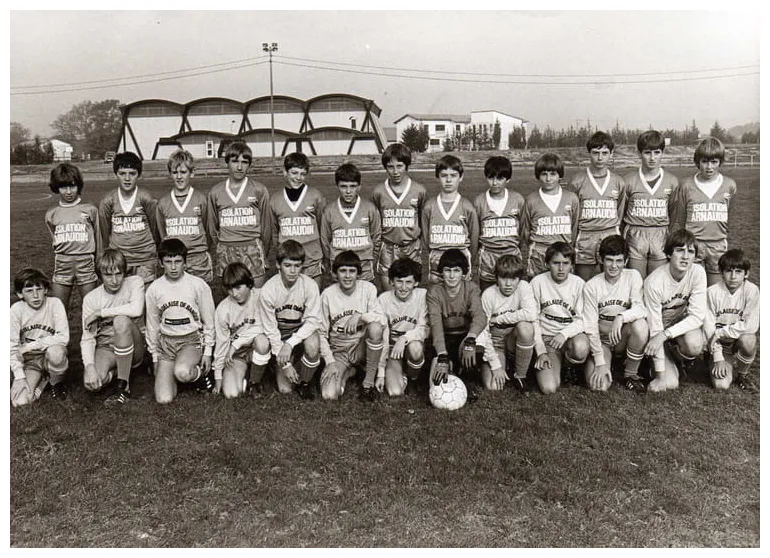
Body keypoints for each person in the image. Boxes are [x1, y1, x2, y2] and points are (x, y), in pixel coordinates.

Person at [145, 238, 216, 404]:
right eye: (168, 262)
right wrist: (155, 357)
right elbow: (152, 325)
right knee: (163, 399)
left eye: (178, 262)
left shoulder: (198, 285)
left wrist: (208, 352)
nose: (173, 267)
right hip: (166, 344)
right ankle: (176, 375)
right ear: (161, 263)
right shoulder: (154, 289)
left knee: (182, 372)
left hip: (191, 340)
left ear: (185, 262)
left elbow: (209, 321)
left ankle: (201, 374)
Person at [426, 249, 502, 395]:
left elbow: (480, 317)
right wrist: (442, 355)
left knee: (476, 347)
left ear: (463, 272)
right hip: (445, 339)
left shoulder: (471, 288)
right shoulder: (434, 292)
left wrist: (470, 340)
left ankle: (467, 372)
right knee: (435, 388)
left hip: (464, 338)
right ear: (441, 272)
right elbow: (436, 325)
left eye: (456, 270)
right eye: (447, 270)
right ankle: (452, 367)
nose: (452, 276)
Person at [581, 235, 648, 393]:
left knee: (640, 325)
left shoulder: (633, 276)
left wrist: (621, 317)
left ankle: (631, 374)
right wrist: (599, 362)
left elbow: (640, 309)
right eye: (609, 260)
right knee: (599, 387)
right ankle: (603, 362)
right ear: (601, 260)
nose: (614, 266)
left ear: (626, 261)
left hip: (622, 338)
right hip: (603, 341)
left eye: (619, 261)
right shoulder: (592, 286)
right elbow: (590, 326)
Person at [642, 229, 707, 393]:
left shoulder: (698, 273)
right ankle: (650, 360)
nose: (685, 256)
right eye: (680, 250)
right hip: (652, 330)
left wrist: (665, 335)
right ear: (669, 254)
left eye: (690, 251)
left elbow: (697, 316)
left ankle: (675, 357)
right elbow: (655, 328)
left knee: (695, 344)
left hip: (669, 331)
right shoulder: (654, 282)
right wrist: (660, 376)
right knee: (670, 383)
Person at [258, 240, 322, 399]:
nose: (293, 271)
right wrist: (285, 365)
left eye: (297, 266)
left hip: (299, 335)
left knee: (313, 344)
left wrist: (290, 344)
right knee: (285, 389)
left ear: (302, 266)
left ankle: (305, 382)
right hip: (278, 336)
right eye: (287, 265)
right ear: (278, 265)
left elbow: (312, 321)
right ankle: (278, 363)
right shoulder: (268, 290)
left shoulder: (310, 285)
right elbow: (270, 330)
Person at [80, 249, 146, 404]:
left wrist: (100, 313)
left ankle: (123, 387)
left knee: (121, 321)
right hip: (107, 347)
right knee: (93, 383)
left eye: (119, 274)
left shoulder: (135, 282)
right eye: (108, 275)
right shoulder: (91, 298)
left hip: (134, 345)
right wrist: (89, 366)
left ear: (124, 272)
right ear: (100, 275)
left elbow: (136, 310)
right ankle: (118, 371)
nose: (115, 280)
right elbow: (88, 338)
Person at [670, 136, 737, 286]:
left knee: (714, 288)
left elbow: (729, 213)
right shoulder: (686, 185)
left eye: (714, 162)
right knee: (693, 287)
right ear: (697, 161)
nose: (709, 167)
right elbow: (681, 217)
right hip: (694, 244)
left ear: (720, 162)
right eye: (705, 161)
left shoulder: (729, 185)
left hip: (718, 244)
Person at [318, 251, 385, 401]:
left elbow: (382, 320)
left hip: (361, 347)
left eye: (352, 271)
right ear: (335, 273)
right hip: (339, 350)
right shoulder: (327, 295)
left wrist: (360, 316)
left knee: (375, 328)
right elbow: (320, 332)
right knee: (329, 395)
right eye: (343, 271)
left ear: (358, 273)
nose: (347, 276)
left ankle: (368, 384)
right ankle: (350, 371)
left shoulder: (368, 289)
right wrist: (330, 361)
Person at [207, 141, 272, 288]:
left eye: (244, 162)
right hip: (226, 248)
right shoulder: (215, 192)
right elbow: (212, 228)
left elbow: (266, 227)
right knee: (230, 295)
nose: (239, 167)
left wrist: (263, 251)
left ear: (249, 164)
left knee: (256, 294)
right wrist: (222, 246)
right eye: (235, 161)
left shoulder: (259, 190)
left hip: (252, 247)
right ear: (227, 162)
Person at [530, 242, 589, 394]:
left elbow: (583, 319)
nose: (561, 268)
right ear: (547, 264)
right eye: (556, 263)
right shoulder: (537, 282)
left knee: (581, 347)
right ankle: (550, 364)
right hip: (548, 340)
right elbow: (533, 320)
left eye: (566, 263)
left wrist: (564, 334)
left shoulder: (579, 284)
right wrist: (541, 351)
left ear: (572, 265)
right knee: (549, 388)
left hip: (570, 338)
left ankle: (571, 369)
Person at [620, 130, 680, 279]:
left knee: (656, 282)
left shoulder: (672, 181)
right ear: (639, 153)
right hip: (635, 234)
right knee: (636, 281)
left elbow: (673, 212)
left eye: (657, 152)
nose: (652, 158)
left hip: (660, 234)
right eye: (647, 153)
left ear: (662, 153)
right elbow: (622, 211)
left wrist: (666, 231)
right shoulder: (628, 181)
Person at [569, 131, 627, 281]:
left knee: (612, 281)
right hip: (585, 236)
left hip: (610, 233)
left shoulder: (618, 182)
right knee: (583, 282)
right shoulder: (577, 181)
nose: (600, 158)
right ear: (589, 153)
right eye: (595, 153)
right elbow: (572, 215)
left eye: (605, 153)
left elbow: (620, 211)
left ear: (611, 154)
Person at [371, 143, 427, 290]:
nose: (395, 171)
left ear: (407, 165)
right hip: (388, 247)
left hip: (411, 247)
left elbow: (422, 219)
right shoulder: (378, 192)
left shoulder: (419, 190)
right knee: (388, 294)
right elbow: (376, 223)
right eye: (390, 167)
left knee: (411, 293)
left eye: (400, 166)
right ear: (385, 167)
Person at [45, 162, 99, 312]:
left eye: (72, 186)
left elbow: (98, 238)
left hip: (86, 262)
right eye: (63, 187)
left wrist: (98, 262)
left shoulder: (90, 210)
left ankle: (90, 329)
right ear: (56, 187)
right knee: (59, 310)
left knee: (91, 309)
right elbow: (55, 240)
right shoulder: (51, 214)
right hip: (62, 263)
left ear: (78, 186)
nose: (68, 192)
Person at [97, 152, 159, 284]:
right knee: (121, 296)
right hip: (119, 261)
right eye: (122, 173)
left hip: (145, 259)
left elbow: (155, 229)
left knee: (145, 296)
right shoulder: (108, 201)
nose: (127, 178)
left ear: (139, 174)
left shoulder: (147, 198)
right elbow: (104, 234)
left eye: (132, 173)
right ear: (116, 174)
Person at [10, 268, 69, 405]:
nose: (35, 295)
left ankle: (56, 383)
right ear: (20, 294)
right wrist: (19, 377)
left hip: (50, 354)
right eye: (29, 291)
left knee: (56, 352)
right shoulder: (16, 310)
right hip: (30, 360)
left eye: (39, 289)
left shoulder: (55, 304)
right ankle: (44, 380)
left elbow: (63, 337)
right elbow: (10, 346)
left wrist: (29, 346)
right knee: (19, 401)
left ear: (46, 290)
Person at [156, 149, 216, 283]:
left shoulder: (201, 199)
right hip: (174, 259)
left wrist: (200, 248)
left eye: (183, 172)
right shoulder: (163, 203)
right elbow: (162, 235)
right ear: (170, 174)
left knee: (200, 293)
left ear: (192, 173)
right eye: (175, 172)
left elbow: (208, 229)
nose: (179, 177)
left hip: (198, 259)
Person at [212, 262, 271, 399]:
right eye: (230, 289)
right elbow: (221, 343)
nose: (234, 294)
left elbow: (263, 326)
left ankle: (255, 382)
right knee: (231, 393)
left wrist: (235, 344)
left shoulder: (262, 297)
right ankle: (249, 373)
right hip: (237, 354)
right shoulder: (223, 309)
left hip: (256, 346)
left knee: (262, 341)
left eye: (238, 287)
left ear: (249, 282)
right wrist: (218, 377)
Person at [703, 249, 759, 391]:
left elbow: (750, 326)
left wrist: (721, 332)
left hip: (737, 339)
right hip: (720, 343)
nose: (733, 277)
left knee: (749, 340)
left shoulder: (752, 291)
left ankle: (742, 375)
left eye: (738, 271)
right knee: (721, 385)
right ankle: (711, 356)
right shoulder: (712, 292)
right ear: (721, 272)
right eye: (728, 271)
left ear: (746, 273)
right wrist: (718, 357)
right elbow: (709, 328)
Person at [480, 254, 537, 392]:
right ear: (496, 278)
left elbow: (531, 314)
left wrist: (498, 319)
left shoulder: (524, 287)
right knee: (493, 387)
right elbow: (483, 332)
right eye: (503, 278)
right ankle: (503, 363)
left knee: (526, 328)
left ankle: (520, 375)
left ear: (519, 279)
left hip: (513, 338)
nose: (508, 284)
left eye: (513, 278)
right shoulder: (488, 294)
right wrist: (496, 366)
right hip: (495, 341)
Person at [269, 152, 327, 284]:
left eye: (302, 174)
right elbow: (274, 232)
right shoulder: (275, 199)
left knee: (313, 294)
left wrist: (324, 257)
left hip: (312, 258)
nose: (298, 177)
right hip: (288, 260)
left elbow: (322, 227)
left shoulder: (315, 196)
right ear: (285, 172)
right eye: (294, 173)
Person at [421, 155, 479, 283]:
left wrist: (468, 262)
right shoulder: (429, 207)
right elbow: (426, 239)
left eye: (453, 175)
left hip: (460, 260)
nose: (448, 180)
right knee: (436, 294)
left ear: (461, 177)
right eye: (444, 175)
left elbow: (474, 240)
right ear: (437, 177)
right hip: (436, 260)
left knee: (460, 294)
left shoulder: (467, 207)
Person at [376, 258, 429, 396]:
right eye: (399, 281)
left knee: (415, 348)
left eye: (408, 282)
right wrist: (381, 372)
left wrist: (404, 338)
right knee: (394, 392)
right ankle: (401, 372)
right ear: (391, 281)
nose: (403, 287)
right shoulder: (383, 300)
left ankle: (413, 378)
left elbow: (424, 328)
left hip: (413, 345)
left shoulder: (423, 296)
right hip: (393, 349)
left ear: (416, 282)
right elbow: (383, 337)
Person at [320, 163, 382, 283]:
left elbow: (377, 237)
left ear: (359, 186)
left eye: (353, 186)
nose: (348, 191)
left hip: (364, 266)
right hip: (339, 267)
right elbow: (325, 241)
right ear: (337, 186)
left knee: (364, 294)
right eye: (343, 186)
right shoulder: (329, 211)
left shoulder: (370, 208)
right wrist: (332, 261)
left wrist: (371, 259)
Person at [521, 154, 579, 277]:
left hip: (563, 253)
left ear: (560, 175)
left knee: (562, 286)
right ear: (538, 176)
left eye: (553, 174)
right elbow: (526, 231)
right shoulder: (530, 200)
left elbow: (574, 227)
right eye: (544, 174)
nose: (548, 179)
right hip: (539, 253)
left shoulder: (571, 198)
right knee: (537, 286)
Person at [474, 155, 526, 292]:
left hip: (511, 254)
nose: (495, 182)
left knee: (513, 295)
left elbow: (522, 230)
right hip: (488, 256)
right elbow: (476, 232)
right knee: (487, 294)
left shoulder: (518, 200)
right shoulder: (479, 201)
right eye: (491, 177)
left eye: (500, 178)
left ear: (508, 179)